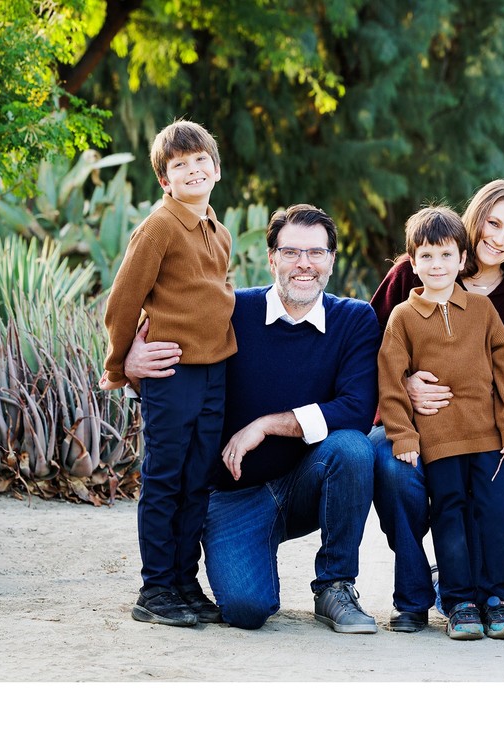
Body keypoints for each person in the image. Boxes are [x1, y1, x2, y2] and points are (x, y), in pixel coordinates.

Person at [123, 204, 381, 634]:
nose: (304, 264)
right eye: (291, 252)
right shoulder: (232, 311)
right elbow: (167, 345)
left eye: (316, 253)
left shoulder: (353, 319)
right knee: (247, 609)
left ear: (332, 260)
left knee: (353, 448)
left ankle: (335, 585)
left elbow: (356, 408)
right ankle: (239, 563)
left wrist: (265, 424)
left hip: (306, 481)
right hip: (233, 494)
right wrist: (132, 362)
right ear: (271, 258)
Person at [368, 179, 504, 633]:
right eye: (493, 224)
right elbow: (379, 358)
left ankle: (494, 599)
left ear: (459, 258)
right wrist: (405, 398)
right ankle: (439, 597)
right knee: (437, 499)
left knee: (491, 512)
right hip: (428, 432)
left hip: (485, 434)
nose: (500, 239)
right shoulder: (410, 286)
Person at [99, 119, 233, 628]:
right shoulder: (158, 227)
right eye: (180, 165)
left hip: (213, 370)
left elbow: (213, 293)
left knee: (198, 479)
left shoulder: (216, 232)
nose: (193, 170)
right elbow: (123, 300)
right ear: (165, 180)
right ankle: (155, 587)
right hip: (171, 370)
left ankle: (183, 580)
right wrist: (120, 364)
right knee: (165, 478)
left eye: (201, 161)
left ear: (216, 170)